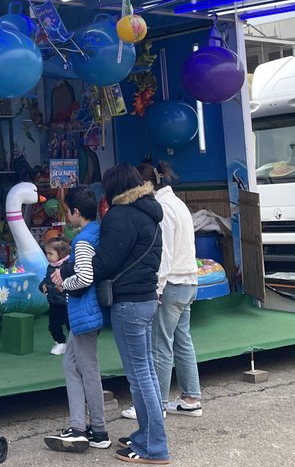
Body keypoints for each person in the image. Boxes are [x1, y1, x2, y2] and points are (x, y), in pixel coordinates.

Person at [92, 164, 169, 465]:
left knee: (140, 378)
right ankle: (146, 434)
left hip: (130, 304)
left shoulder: (120, 215)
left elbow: (107, 261)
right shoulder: (149, 213)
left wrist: (71, 271)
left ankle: (154, 446)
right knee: (145, 372)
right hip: (147, 299)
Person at [45, 187, 110, 452]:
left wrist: (63, 282)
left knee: (88, 369)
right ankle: (78, 426)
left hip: (85, 311)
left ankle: (97, 429)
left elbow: (84, 277)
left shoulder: (83, 242)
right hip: (86, 312)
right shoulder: (97, 232)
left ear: (76, 212)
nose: (67, 216)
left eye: (68, 211)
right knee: (72, 365)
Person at [139, 161, 203, 418]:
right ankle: (191, 398)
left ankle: (157, 404)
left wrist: (157, 289)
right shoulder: (178, 204)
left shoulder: (163, 208)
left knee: (160, 345)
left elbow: (163, 254)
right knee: (183, 341)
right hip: (189, 282)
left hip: (172, 284)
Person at [39, 238, 72, 356]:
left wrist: (64, 288)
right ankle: (60, 342)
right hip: (54, 303)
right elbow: (46, 279)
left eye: (50, 253)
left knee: (71, 325)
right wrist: (43, 285)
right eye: (46, 253)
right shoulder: (51, 266)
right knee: (53, 325)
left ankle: (75, 344)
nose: (47, 256)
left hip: (67, 303)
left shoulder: (68, 266)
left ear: (61, 254)